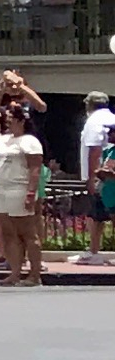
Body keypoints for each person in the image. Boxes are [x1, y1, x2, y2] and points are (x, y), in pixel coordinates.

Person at [0, 95, 49, 287]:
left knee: (27, 232)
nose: (6, 119)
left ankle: (34, 274)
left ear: (21, 120)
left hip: (19, 188)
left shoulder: (30, 141)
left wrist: (31, 193)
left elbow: (35, 169)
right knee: (9, 233)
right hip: (2, 189)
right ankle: (15, 273)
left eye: (10, 116)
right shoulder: (3, 139)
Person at [81, 95, 115, 266]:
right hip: (107, 180)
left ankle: (93, 251)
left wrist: (92, 178)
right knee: (98, 215)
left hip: (104, 180)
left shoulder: (93, 121)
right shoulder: (110, 117)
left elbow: (94, 149)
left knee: (96, 215)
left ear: (89, 105)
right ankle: (93, 249)